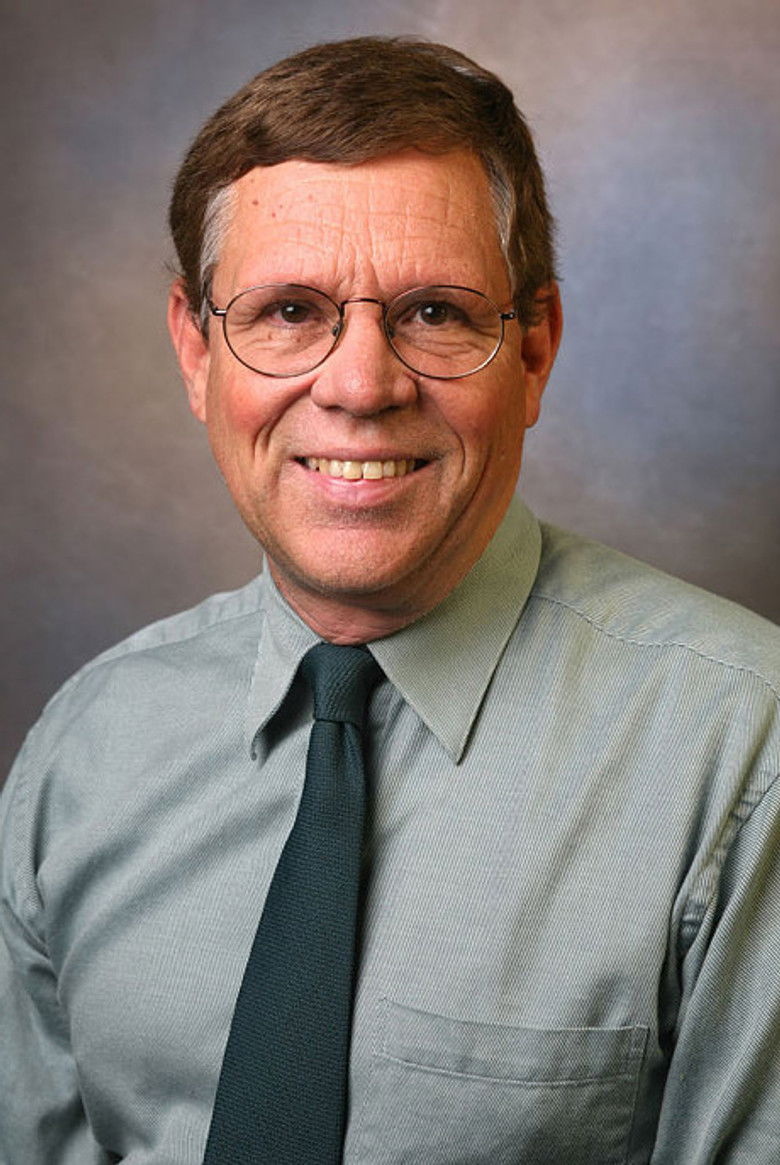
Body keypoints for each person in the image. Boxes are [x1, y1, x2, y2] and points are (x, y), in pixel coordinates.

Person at [1, 35, 779, 1165]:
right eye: (287, 310)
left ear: (536, 348)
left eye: (434, 313)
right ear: (195, 350)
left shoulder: (742, 753)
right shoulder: (87, 751)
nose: (361, 386)